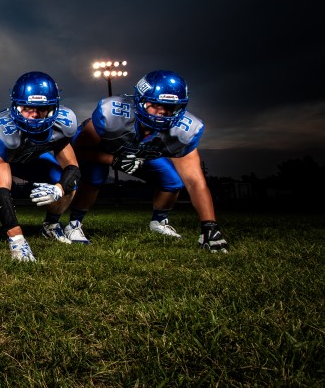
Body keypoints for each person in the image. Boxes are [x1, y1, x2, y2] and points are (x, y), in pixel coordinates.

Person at [57, 70, 229, 252]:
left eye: (170, 106)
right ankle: (74, 224)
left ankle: (159, 221)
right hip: (102, 150)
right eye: (155, 104)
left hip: (141, 154)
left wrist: (209, 226)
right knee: (95, 177)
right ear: (140, 100)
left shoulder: (184, 131)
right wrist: (114, 160)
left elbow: (194, 181)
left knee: (172, 182)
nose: (162, 112)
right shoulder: (113, 115)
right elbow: (79, 151)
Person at [0, 71, 81, 262]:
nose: (34, 115)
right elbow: (1, 190)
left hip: (30, 157)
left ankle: (50, 225)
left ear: (54, 107)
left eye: (42, 108)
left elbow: (73, 168)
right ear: (16, 106)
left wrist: (59, 188)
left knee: (69, 185)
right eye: (27, 108)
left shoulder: (64, 123)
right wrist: (17, 239)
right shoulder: (0, 130)